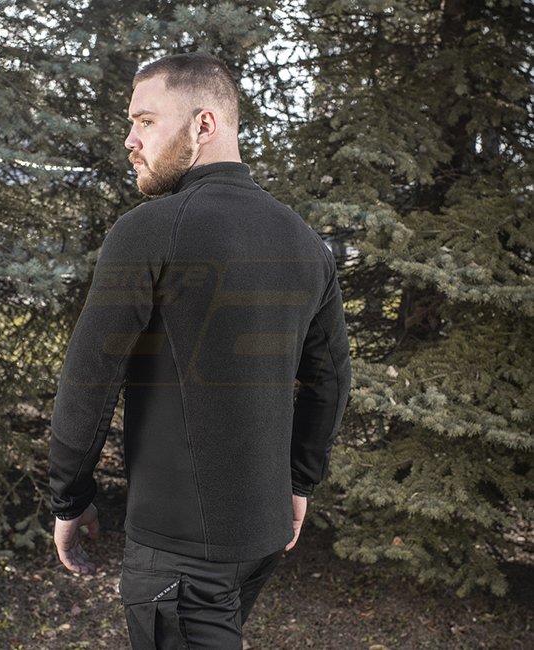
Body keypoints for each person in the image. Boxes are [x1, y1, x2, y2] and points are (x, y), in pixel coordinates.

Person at [49, 52, 351, 649]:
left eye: (146, 121)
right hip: (259, 539)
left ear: (204, 124)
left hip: (179, 555)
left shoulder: (150, 229)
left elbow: (89, 378)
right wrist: (299, 484)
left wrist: (69, 498)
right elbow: (329, 381)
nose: (130, 140)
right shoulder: (305, 242)